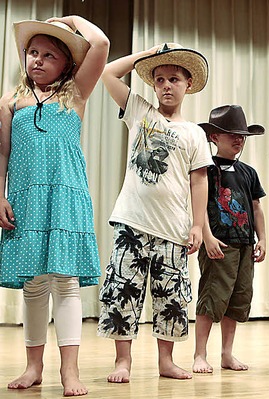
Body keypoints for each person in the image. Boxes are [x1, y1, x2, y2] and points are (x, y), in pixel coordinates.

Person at [0, 16, 108, 396]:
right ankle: (33, 367)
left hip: (66, 196)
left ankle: (70, 371)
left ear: (66, 65)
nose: (38, 60)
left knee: (66, 283)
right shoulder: (10, 101)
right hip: (26, 198)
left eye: (49, 55)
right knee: (33, 286)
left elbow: (102, 44)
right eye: (33, 52)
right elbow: (2, 154)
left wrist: (71, 21)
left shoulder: (75, 93)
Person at [97, 43, 211, 382]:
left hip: (174, 229)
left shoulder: (194, 133)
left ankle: (166, 361)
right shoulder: (140, 112)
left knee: (171, 297)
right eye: (159, 79)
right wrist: (145, 56)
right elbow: (107, 72)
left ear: (188, 84)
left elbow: (199, 180)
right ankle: (123, 361)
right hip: (132, 221)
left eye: (173, 79)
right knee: (122, 291)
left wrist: (198, 225)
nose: (165, 85)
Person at [192, 105, 267, 373]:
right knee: (213, 297)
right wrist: (207, 236)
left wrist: (262, 239)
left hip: (244, 243)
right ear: (214, 137)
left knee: (237, 299)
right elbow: (198, 205)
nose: (238, 139)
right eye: (230, 134)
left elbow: (256, 207)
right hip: (219, 243)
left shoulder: (248, 172)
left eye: (241, 135)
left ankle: (227, 353)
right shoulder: (206, 169)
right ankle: (200, 354)